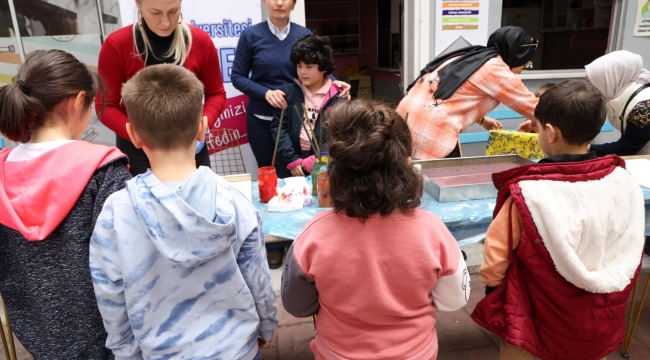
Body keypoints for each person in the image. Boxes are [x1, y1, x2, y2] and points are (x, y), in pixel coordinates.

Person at [90, 64, 278, 360]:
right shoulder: (236, 203)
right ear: (203, 128)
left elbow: (109, 293)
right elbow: (259, 280)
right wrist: (267, 327)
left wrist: (126, 353)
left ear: (133, 134)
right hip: (236, 350)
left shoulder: (115, 213)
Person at [282, 100, 470, 359]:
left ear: (334, 171)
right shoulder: (433, 231)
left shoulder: (313, 235)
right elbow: (454, 301)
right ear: (407, 165)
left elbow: (298, 305)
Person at [472, 80, 646, 360]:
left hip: (533, 322)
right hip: (595, 322)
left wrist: (494, 290)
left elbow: (496, 256)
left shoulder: (528, 193)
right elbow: (629, 244)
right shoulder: (623, 182)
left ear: (550, 133)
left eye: (538, 127)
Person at [0, 49, 131, 359]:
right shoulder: (104, 171)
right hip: (108, 340)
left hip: (38, 338)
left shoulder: (2, 171)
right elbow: (128, 263)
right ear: (77, 101)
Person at [96, 0, 227, 176]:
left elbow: (216, 93)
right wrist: (139, 136)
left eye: (173, 11)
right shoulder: (117, 44)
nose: (166, 22)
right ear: (139, 5)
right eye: (156, 13)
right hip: (140, 149)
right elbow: (105, 106)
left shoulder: (200, 41)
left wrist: (203, 124)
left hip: (190, 146)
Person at [231, 0, 350, 171]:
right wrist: (266, 93)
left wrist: (335, 82)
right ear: (264, 2)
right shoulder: (250, 35)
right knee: (269, 174)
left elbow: (316, 64)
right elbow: (237, 76)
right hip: (262, 120)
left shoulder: (304, 33)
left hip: (294, 121)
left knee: (300, 171)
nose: (279, 3)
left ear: (294, 4)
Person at [397, 26, 539, 159]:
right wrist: (534, 120)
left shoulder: (468, 57)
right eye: (525, 62)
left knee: (409, 178)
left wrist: (482, 119)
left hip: (402, 126)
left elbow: (452, 96)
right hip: (431, 134)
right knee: (444, 182)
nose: (523, 68)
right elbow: (536, 109)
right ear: (518, 55)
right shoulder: (496, 69)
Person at [270, 34, 344, 179]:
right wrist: (292, 159)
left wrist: (315, 161)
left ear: (323, 67)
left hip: (323, 165)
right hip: (289, 164)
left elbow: (338, 136)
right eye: (299, 66)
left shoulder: (338, 98)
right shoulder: (288, 93)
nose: (302, 72)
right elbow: (278, 129)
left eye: (309, 67)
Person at [586, 51, 650, 156]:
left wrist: (586, 148)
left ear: (609, 81)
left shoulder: (644, 107)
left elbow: (627, 148)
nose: (589, 89)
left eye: (591, 83)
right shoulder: (615, 94)